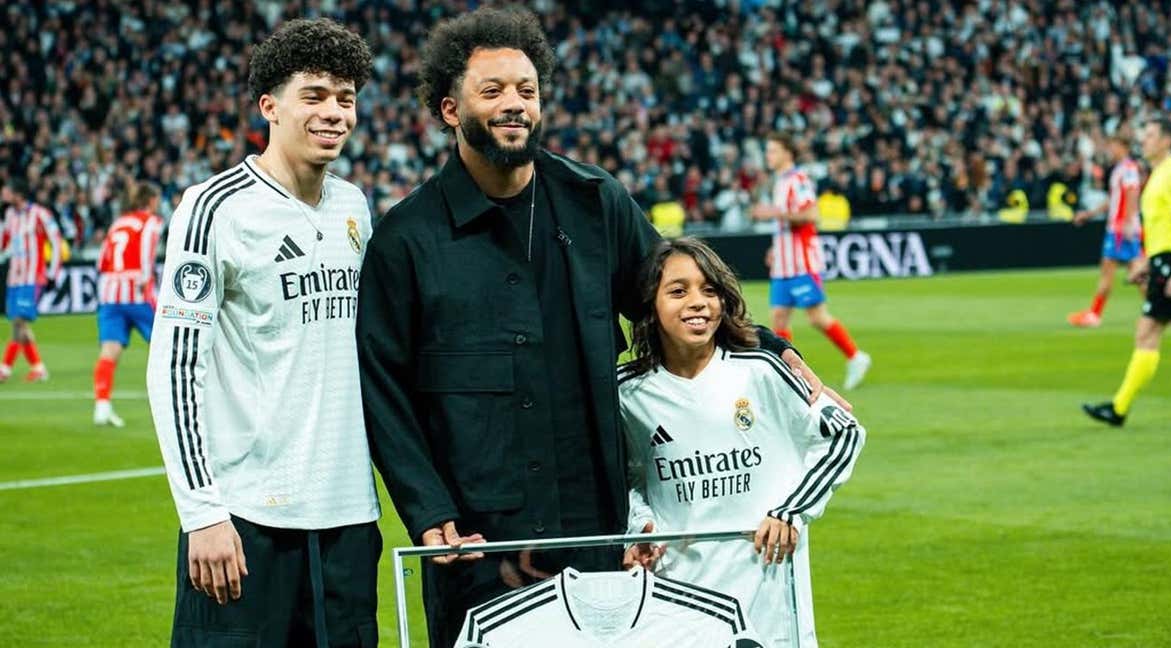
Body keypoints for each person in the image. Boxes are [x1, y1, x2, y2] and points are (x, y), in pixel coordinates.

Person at [354, 8, 845, 647]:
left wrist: (773, 349)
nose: (515, 106)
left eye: (527, 91)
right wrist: (428, 509)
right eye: (493, 92)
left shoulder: (594, 201)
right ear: (451, 110)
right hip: (477, 541)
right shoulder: (407, 239)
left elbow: (675, 297)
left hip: (599, 527)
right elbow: (382, 387)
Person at [145, 19, 382, 646]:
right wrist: (202, 514)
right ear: (269, 106)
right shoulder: (214, 209)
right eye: (315, 95)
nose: (334, 112)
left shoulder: (355, 208)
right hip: (245, 522)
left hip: (349, 520)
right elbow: (174, 369)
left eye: (346, 97)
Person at [618, 237, 865, 647]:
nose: (697, 302)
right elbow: (624, 478)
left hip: (769, 590)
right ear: (650, 304)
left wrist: (792, 511)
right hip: (678, 593)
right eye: (678, 291)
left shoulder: (763, 369)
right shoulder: (628, 392)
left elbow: (844, 433)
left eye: (709, 290)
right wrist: (639, 525)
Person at [1083, 117, 1171, 426]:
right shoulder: (1159, 175)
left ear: (1166, 141)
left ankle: (1119, 409)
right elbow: (1163, 231)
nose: (1143, 140)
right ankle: (1118, 408)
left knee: (1148, 333)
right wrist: (1146, 264)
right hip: (1163, 262)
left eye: (1150, 135)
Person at [752, 132, 871, 390]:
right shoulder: (780, 182)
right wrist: (776, 248)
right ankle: (786, 373)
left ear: (787, 152)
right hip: (783, 263)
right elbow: (786, 222)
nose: (768, 156)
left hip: (802, 262)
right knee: (779, 319)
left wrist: (773, 213)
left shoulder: (798, 179)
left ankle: (855, 356)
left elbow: (811, 214)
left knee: (816, 317)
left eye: (772, 150)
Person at [92, 181, 163, 427]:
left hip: (110, 292)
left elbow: (102, 260)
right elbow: (147, 251)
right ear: (151, 200)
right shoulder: (152, 222)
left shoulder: (118, 222)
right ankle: (171, 400)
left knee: (110, 350)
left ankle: (101, 407)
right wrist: (145, 279)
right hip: (137, 290)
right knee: (165, 346)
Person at [1068, 132, 1143, 328]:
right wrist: (1090, 214)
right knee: (1137, 272)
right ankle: (1156, 310)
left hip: (1120, 229)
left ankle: (1095, 314)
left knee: (1112, 270)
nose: (1111, 149)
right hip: (1120, 227)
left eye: (1114, 146)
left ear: (1123, 146)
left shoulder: (1127, 168)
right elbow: (1114, 199)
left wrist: (1127, 222)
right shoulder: (1121, 168)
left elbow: (1132, 192)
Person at [0, 176, 63, 383]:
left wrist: (53, 272)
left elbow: (55, 240)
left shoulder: (40, 214)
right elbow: (6, 243)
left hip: (32, 277)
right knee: (19, 324)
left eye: (7, 190)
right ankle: (39, 368)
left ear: (18, 194)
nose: (3, 194)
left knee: (19, 321)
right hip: (14, 279)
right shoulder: (9, 215)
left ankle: (5, 368)